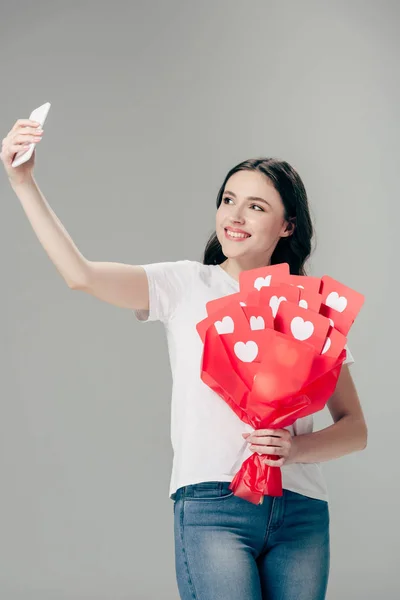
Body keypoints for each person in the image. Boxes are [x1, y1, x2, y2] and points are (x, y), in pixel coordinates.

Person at [1, 118, 368, 600]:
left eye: (255, 206)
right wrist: (23, 184)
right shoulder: (185, 284)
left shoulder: (311, 307)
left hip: (301, 510)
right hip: (213, 506)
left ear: (287, 225)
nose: (234, 215)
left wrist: (295, 450)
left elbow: (354, 428)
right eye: (228, 200)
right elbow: (81, 275)